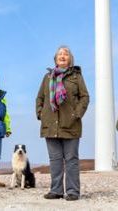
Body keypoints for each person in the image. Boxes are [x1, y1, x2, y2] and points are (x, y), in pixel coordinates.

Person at [35, 46, 89, 201]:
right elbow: (40, 98)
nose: (63, 56)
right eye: (60, 54)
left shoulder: (76, 76)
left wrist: (77, 114)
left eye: (66, 54)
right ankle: (56, 190)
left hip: (71, 123)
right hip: (50, 124)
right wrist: (41, 114)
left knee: (71, 159)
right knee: (55, 159)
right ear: (55, 59)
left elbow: (85, 97)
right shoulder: (47, 77)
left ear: (70, 59)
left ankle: (72, 191)